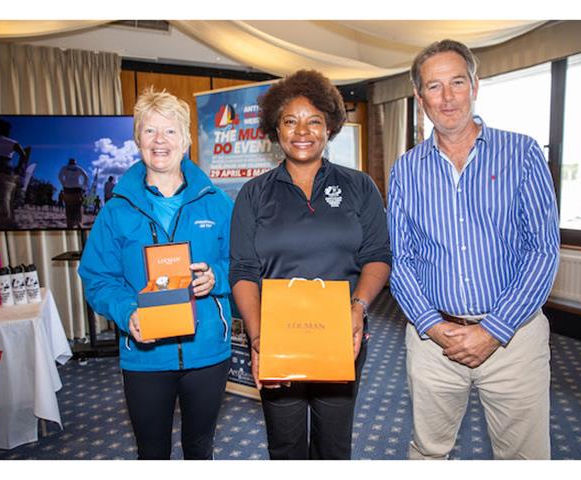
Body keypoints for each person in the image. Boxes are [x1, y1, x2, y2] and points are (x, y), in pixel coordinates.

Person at [387, 39, 560, 460]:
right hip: (433, 342)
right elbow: (402, 259)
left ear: (475, 86)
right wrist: (431, 324)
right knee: (428, 452)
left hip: (514, 339)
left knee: (525, 458)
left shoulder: (522, 153)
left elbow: (543, 250)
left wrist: (493, 330)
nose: (447, 98)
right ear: (419, 96)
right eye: (434, 86)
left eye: (457, 82)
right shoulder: (405, 170)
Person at [230, 69, 391, 460]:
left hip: (342, 334)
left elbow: (378, 257)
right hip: (276, 340)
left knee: (334, 447)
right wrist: (257, 338)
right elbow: (243, 270)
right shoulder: (253, 194)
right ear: (276, 129)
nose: (302, 131)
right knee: (285, 447)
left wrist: (359, 309)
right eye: (290, 121)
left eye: (314, 121)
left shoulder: (360, 186)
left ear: (330, 128)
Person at [78, 87, 234, 460]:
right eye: (150, 131)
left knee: (200, 449)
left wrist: (217, 277)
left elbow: (244, 265)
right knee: (151, 453)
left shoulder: (218, 201)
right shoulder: (116, 210)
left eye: (169, 131)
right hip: (145, 354)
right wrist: (126, 311)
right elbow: (97, 277)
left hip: (208, 351)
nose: (159, 140)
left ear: (186, 141)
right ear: (137, 139)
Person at [0, 118, 29, 228]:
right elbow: (23, 155)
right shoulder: (12, 142)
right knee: (6, 198)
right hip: (6, 170)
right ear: (7, 130)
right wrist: (19, 168)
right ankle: (5, 221)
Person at [57, 158, 89, 228]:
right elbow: (86, 177)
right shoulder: (78, 168)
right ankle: (79, 223)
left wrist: (64, 183)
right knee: (78, 206)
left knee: (68, 207)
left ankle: (70, 224)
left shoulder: (64, 168)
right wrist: (83, 187)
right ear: (75, 163)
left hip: (67, 189)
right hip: (77, 189)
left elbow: (59, 176)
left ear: (69, 162)